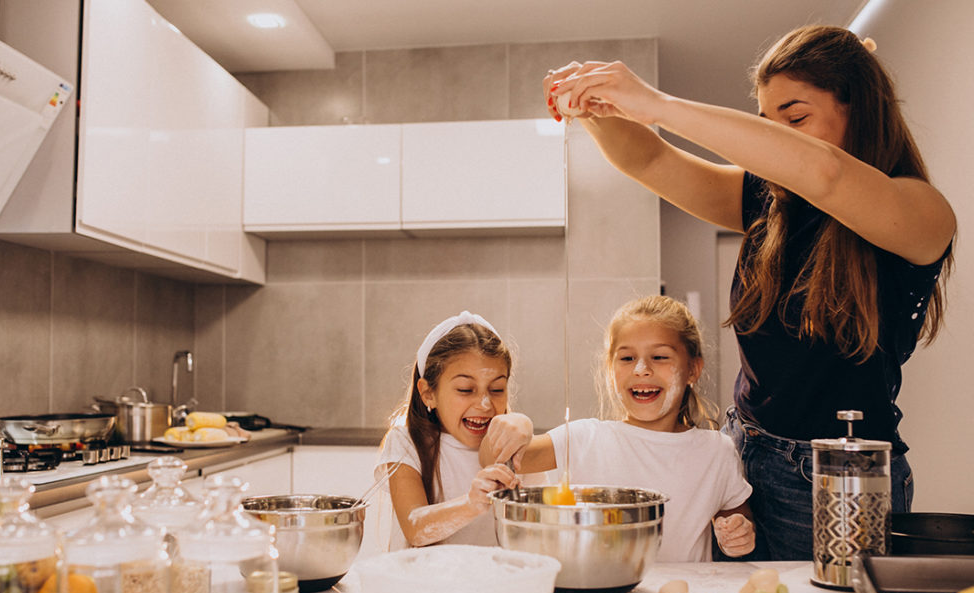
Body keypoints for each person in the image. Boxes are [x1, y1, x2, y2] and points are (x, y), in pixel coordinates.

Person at [542, 26, 955, 560]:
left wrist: (655, 104)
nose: (776, 140)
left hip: (836, 479)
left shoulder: (921, 211)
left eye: (795, 118)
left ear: (860, 110)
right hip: (744, 451)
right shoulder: (769, 202)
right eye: (765, 122)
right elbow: (650, 161)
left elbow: (826, 172)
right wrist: (596, 107)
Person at [483, 295, 756, 562]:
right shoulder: (585, 439)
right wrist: (516, 424)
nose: (641, 369)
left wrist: (737, 535)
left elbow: (737, 517)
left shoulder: (716, 451)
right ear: (610, 371)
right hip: (603, 589)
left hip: (683, 591)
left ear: (693, 369)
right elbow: (491, 458)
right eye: (627, 358)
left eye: (659, 356)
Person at [379, 311, 532, 548]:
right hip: (422, 573)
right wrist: (470, 504)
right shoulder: (406, 442)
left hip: (494, 572)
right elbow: (415, 528)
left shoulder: (513, 445)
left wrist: (525, 426)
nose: (485, 404)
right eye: (465, 389)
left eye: (497, 389)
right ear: (428, 393)